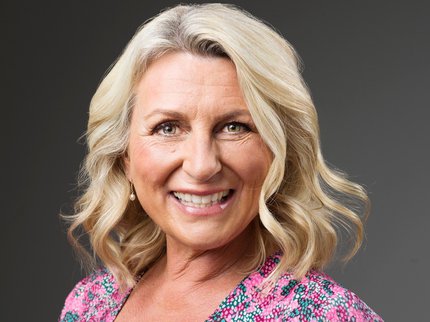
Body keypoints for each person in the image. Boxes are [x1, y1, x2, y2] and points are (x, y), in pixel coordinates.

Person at [59, 3, 382, 321]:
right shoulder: (91, 302)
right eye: (168, 128)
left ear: (277, 151)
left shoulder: (323, 314)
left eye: (234, 127)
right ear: (125, 156)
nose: (202, 166)